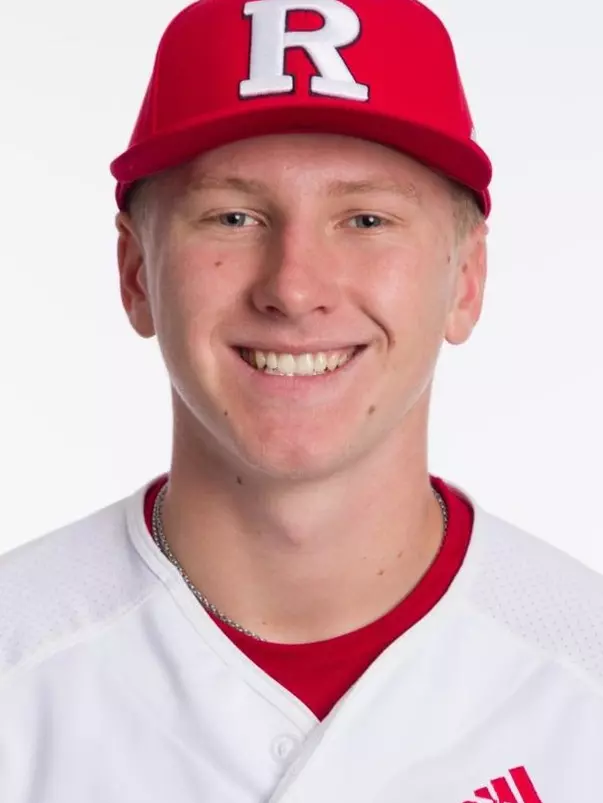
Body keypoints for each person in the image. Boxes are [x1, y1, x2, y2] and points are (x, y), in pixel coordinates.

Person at [1, 0, 602, 800]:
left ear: (465, 281)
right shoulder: (19, 662)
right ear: (136, 273)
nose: (292, 286)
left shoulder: (580, 675)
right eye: (233, 215)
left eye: (364, 217)